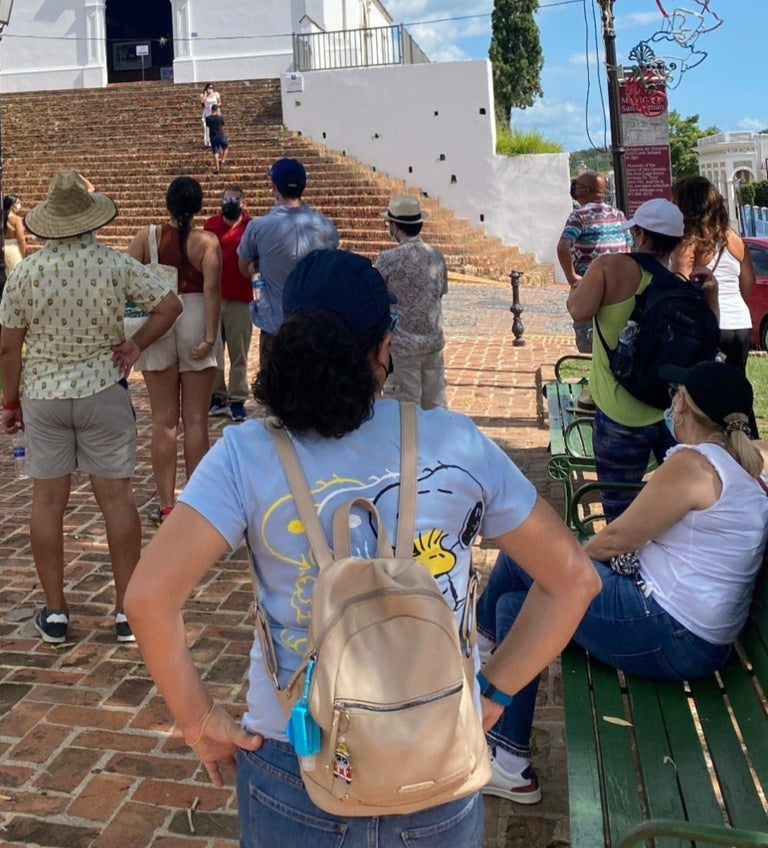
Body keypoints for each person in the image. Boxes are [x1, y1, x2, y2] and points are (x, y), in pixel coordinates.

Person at [125, 248, 599, 842]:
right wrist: (492, 693)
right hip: (436, 746)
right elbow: (573, 579)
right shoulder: (455, 443)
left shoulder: (244, 455)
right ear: (384, 346)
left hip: (293, 748)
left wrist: (199, 723)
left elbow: (148, 598)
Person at [478, 360, 768, 803]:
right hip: (693, 636)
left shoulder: (694, 464)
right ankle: (509, 761)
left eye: (677, 395)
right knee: (515, 608)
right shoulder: (744, 467)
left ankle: (476, 655)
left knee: (530, 557)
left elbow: (616, 538)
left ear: (683, 403)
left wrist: (569, 567)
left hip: (670, 629)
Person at [0, 169, 182, 646]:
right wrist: (135, 345)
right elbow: (169, 306)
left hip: (44, 395)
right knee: (117, 502)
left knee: (46, 504)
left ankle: (56, 611)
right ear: (90, 218)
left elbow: (8, 349)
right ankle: (125, 611)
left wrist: (11, 399)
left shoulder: (28, 272)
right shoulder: (113, 264)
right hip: (102, 387)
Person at [566, 197, 709, 522]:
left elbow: (578, 310)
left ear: (641, 236)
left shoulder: (609, 267)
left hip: (618, 414)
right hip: (670, 414)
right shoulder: (679, 285)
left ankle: (624, 564)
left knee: (619, 513)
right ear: (673, 243)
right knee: (677, 510)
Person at [127, 176, 222, 524]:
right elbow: (213, 290)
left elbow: (127, 281)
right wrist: (210, 336)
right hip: (196, 316)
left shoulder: (146, 238)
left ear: (167, 204)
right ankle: (197, 504)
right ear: (197, 207)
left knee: (163, 419)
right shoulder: (206, 242)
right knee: (196, 420)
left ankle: (167, 503)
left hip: (160, 316)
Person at [237, 157, 339, 366]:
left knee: (274, 394)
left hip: (276, 327)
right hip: (314, 328)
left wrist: (260, 264)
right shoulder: (326, 227)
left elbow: (243, 268)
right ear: (304, 186)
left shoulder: (258, 227)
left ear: (274, 187)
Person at [672, 175, 754, 374]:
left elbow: (680, 287)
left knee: (707, 393)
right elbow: (748, 282)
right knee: (736, 387)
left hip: (711, 324)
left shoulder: (688, 243)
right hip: (741, 323)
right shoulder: (733, 238)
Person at [375, 193, 449, 409]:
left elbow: (375, 297)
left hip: (402, 349)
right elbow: (440, 292)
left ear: (395, 225)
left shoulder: (388, 259)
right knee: (436, 411)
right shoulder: (436, 256)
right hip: (432, 344)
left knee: (405, 416)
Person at [556, 172, 630, 352]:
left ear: (586, 190)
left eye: (578, 185)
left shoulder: (579, 216)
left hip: (590, 286)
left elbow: (562, 247)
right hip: (618, 289)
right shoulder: (619, 215)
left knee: (590, 343)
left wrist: (572, 277)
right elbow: (628, 249)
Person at [204, 185, 253, 423]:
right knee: (214, 352)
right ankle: (217, 397)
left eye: (235, 199)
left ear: (243, 203)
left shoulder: (251, 227)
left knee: (239, 352)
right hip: (214, 297)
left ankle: (237, 400)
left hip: (240, 299)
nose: (230, 203)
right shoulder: (210, 226)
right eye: (226, 199)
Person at [3, 194, 29, 276]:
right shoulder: (16, 220)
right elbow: (21, 240)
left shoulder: (2, 218)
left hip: (5, 249)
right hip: (15, 250)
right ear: (11, 206)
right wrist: (25, 255)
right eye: (17, 203)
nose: (19, 204)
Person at [204, 102, 229, 172]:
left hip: (213, 136)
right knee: (226, 147)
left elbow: (207, 125)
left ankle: (217, 169)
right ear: (217, 110)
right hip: (221, 135)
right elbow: (223, 124)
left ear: (211, 110)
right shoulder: (220, 117)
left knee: (215, 152)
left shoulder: (208, 118)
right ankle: (223, 161)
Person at [199, 82, 220, 147]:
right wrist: (205, 95)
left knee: (217, 127)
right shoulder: (202, 95)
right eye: (209, 88)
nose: (210, 89)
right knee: (207, 128)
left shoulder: (216, 94)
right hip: (207, 112)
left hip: (215, 111)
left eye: (212, 88)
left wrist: (215, 106)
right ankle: (208, 141)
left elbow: (219, 102)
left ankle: (217, 140)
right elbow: (202, 102)